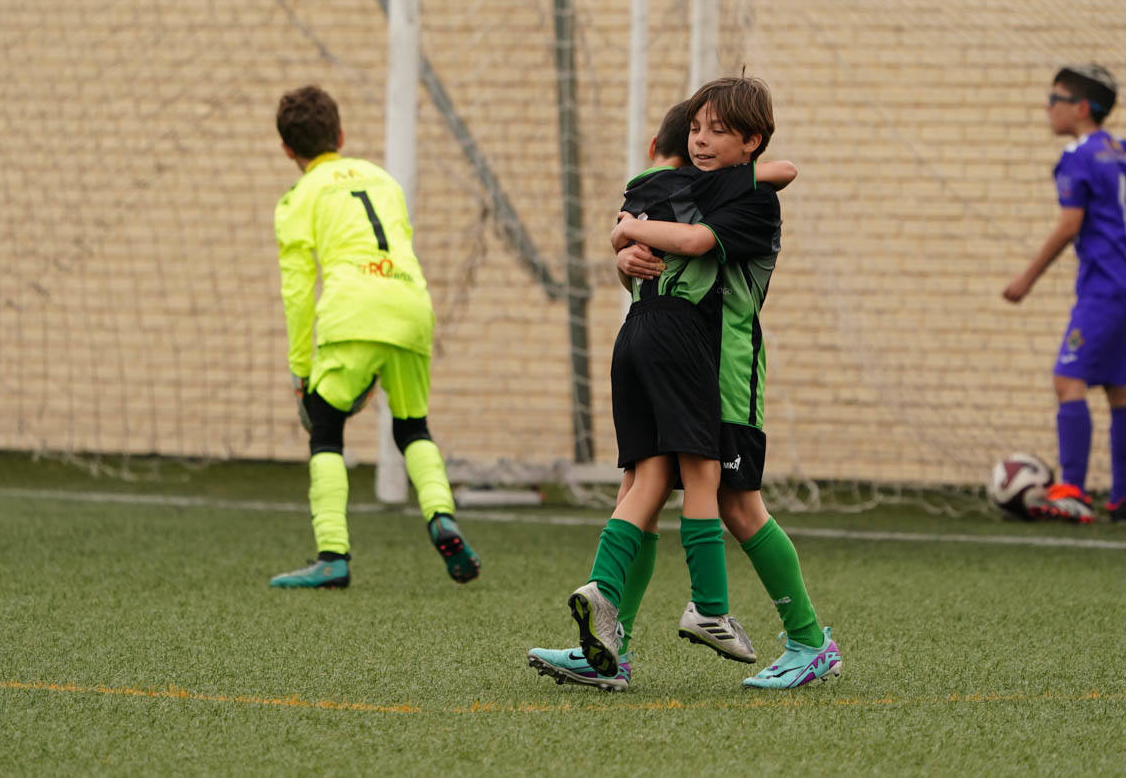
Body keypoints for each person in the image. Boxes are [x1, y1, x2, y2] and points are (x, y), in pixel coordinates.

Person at [530, 79, 842, 691]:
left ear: (751, 143)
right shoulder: (687, 192)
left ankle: (810, 641)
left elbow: (698, 242)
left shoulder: (751, 202)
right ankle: (611, 653)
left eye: (719, 131)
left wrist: (628, 230)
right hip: (673, 367)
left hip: (725, 376)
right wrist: (624, 256)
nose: (701, 140)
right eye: (696, 128)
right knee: (637, 492)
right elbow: (657, 279)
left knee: (738, 505)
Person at [268, 85, 479, 588]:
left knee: (324, 428)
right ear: (340, 135)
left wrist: (301, 370)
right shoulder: (382, 179)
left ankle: (332, 556)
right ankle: (439, 516)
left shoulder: (298, 198)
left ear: (287, 150)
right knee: (412, 426)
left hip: (352, 312)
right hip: (410, 305)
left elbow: (297, 293)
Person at [1003, 64, 1126, 526]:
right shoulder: (1124, 151)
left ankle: (1073, 491)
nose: (1047, 107)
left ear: (1080, 108)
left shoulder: (1077, 155)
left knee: (1068, 379)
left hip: (1104, 287)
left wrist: (1026, 278)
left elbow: (1069, 224)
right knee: (1120, 389)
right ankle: (1122, 501)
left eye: (1053, 98)